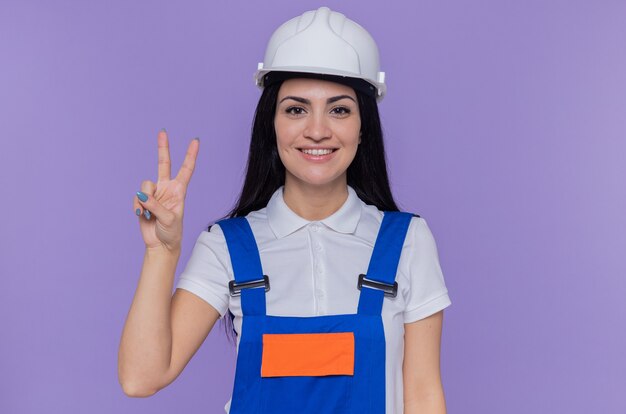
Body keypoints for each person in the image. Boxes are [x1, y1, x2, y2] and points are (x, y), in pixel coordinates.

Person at [118, 6, 451, 414]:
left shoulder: (407, 242)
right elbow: (141, 378)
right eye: (296, 109)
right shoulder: (228, 245)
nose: (317, 129)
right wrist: (161, 253)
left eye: (339, 109)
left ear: (363, 127)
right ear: (271, 124)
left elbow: (422, 396)